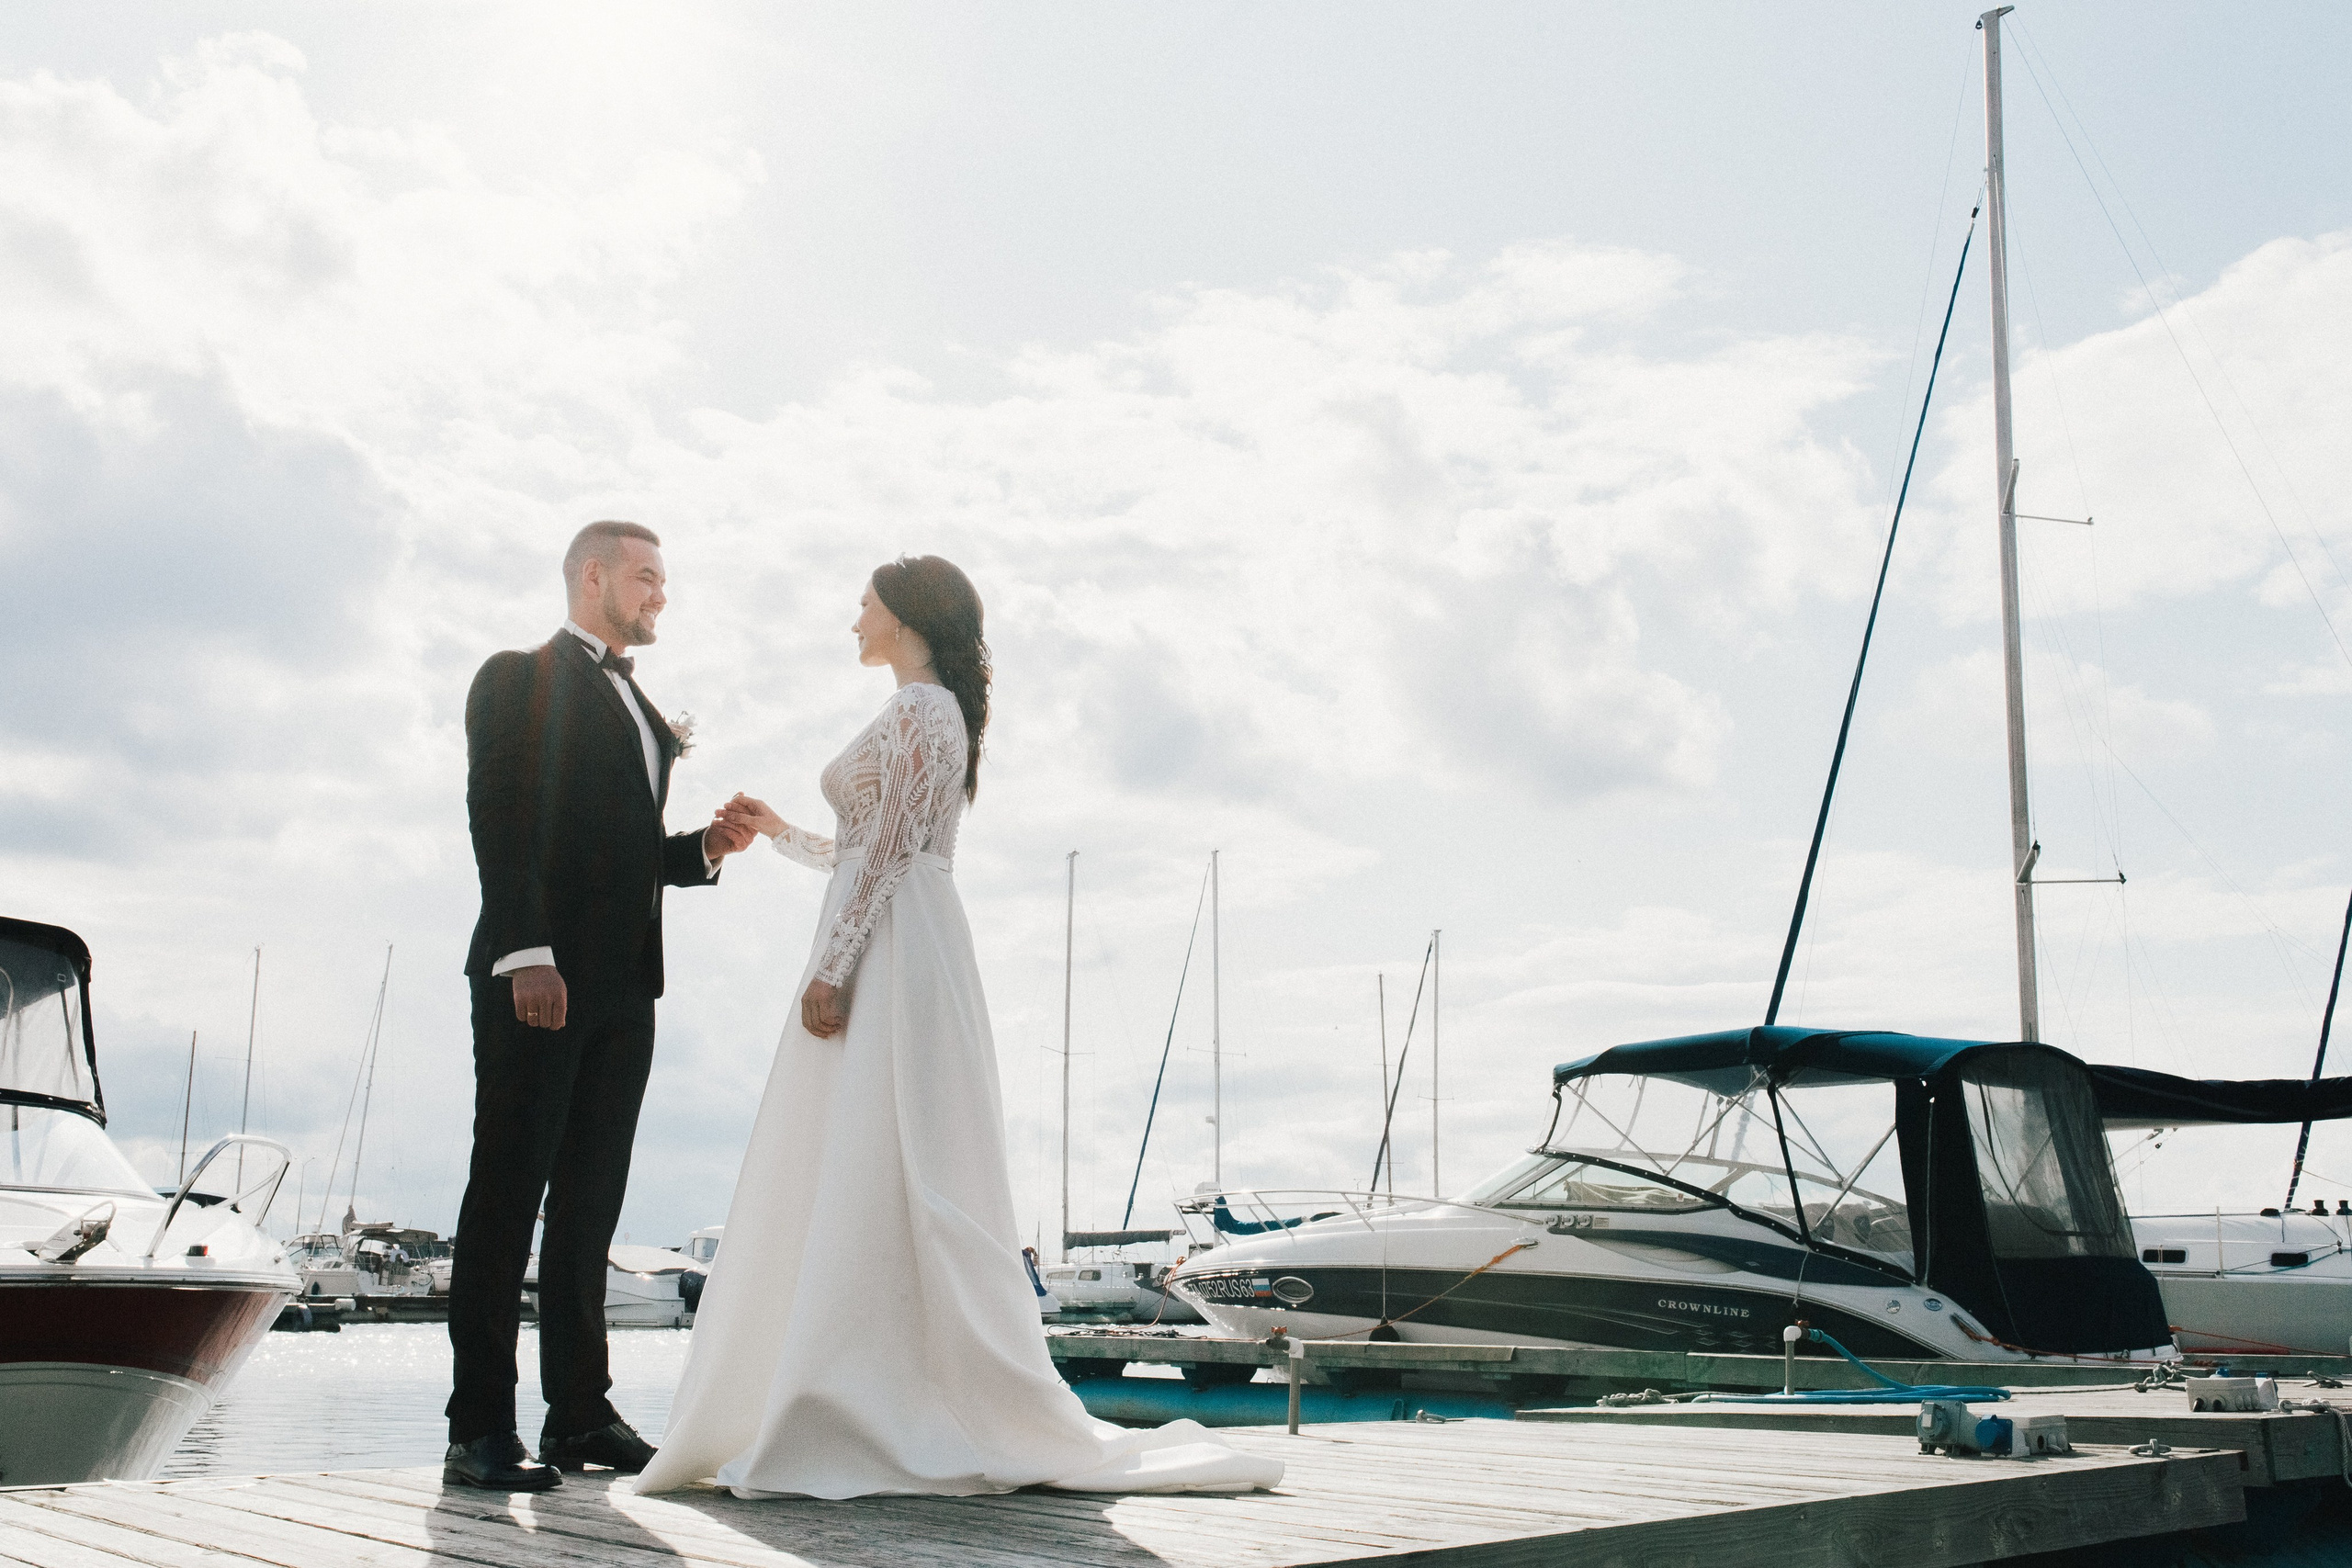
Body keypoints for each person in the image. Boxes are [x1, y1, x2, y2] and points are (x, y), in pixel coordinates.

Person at [637, 555, 1279, 1499]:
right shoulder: (928, 713)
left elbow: (892, 853)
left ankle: (875, 1397)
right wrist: (778, 832)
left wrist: (833, 968)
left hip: (891, 947)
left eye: (864, 603)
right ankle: (863, 1382)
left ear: (902, 615)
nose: (852, 617)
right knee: (865, 1151)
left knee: (891, 1146)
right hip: (896, 926)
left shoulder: (919, 712)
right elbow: (870, 851)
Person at [445, 520, 756, 1492]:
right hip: (536, 980)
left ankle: (579, 1415)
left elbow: (623, 858)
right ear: (592, 577)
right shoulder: (515, 677)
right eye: (646, 578)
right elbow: (501, 822)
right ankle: (478, 1430)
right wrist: (526, 952)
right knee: (507, 1200)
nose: (661, 595)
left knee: (588, 1213)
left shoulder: (640, 706)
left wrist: (704, 846)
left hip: (627, 992)